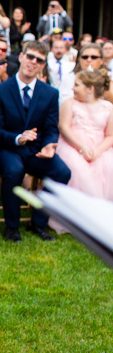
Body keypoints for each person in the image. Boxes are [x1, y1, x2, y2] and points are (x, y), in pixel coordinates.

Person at [0, 41, 71, 242]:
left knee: (62, 172)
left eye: (39, 60)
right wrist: (18, 138)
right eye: (30, 56)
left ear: (43, 65)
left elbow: (51, 127)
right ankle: (12, 227)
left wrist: (49, 145)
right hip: (8, 149)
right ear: (21, 57)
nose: (33, 62)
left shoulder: (50, 93)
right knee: (14, 171)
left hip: (36, 150)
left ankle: (38, 222)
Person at [50, 70, 113, 235]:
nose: (73, 88)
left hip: (99, 148)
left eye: (77, 85)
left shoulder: (108, 107)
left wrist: (97, 151)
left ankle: (103, 219)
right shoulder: (69, 103)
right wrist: (81, 148)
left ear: (90, 89)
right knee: (78, 168)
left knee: (109, 166)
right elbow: (63, 128)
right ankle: (80, 219)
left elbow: (110, 135)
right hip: (72, 145)